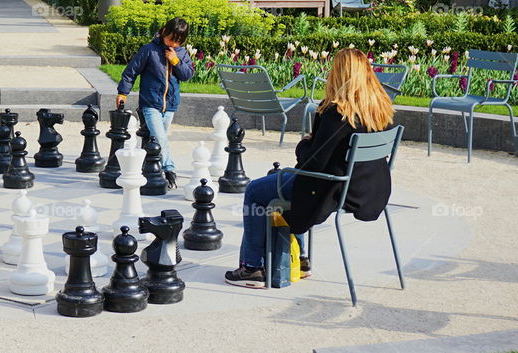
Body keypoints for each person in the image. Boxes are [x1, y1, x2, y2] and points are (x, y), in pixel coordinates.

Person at [224, 48, 395, 288]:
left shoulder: (338, 113)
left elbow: (312, 163)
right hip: (365, 190)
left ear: (339, 74)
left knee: (255, 191)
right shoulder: (378, 109)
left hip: (329, 189)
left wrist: (304, 143)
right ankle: (300, 260)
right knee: (282, 184)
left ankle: (252, 268)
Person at [116, 17, 195, 188]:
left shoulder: (180, 53)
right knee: (161, 138)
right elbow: (131, 71)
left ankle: (149, 169)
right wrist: (123, 92)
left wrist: (176, 61)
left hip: (170, 105)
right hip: (150, 103)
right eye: (171, 39)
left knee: (157, 141)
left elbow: (188, 74)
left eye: (179, 41)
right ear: (164, 32)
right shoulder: (149, 50)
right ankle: (169, 171)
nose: (174, 44)